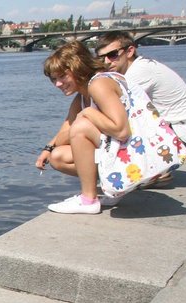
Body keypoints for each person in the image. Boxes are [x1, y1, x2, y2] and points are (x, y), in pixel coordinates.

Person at [95, 31, 186, 185]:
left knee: (110, 126)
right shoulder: (136, 67)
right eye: (101, 57)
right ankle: (156, 173)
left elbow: (109, 111)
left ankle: (154, 173)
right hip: (180, 131)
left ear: (130, 51)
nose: (106, 61)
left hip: (181, 135)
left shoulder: (139, 73)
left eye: (112, 55)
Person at [35, 41, 130, 215]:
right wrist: (48, 148)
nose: (57, 84)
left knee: (81, 126)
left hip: (135, 151)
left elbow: (122, 130)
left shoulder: (99, 84)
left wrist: (87, 114)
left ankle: (88, 200)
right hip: (122, 151)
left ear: (78, 67)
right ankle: (113, 187)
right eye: (53, 79)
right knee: (57, 157)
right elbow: (66, 129)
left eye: (62, 76)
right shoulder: (82, 95)